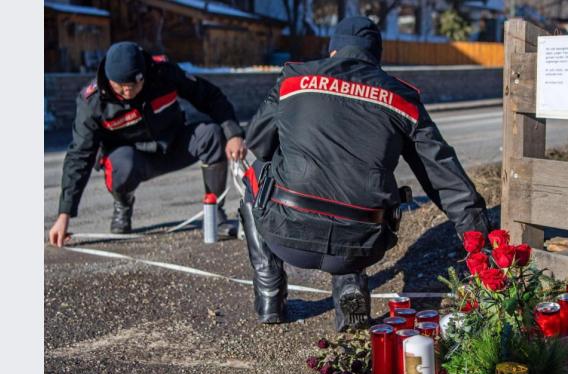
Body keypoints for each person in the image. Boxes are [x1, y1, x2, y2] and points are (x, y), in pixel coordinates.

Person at [240, 17, 491, 330]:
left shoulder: (293, 78)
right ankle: (350, 284)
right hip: (362, 243)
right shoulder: (402, 98)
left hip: (287, 236)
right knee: (354, 183)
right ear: (375, 57)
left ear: (333, 52)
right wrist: (484, 250)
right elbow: (445, 179)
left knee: (256, 173)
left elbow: (258, 143)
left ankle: (269, 292)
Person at [48, 41, 246, 246]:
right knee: (120, 167)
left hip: (173, 144)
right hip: (133, 159)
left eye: (132, 86)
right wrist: (64, 214)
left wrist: (233, 133)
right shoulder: (92, 103)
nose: (127, 93)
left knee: (212, 134)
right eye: (120, 87)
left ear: (143, 74)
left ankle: (214, 213)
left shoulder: (163, 73)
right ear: (108, 79)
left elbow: (209, 96)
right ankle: (123, 204)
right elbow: (79, 155)